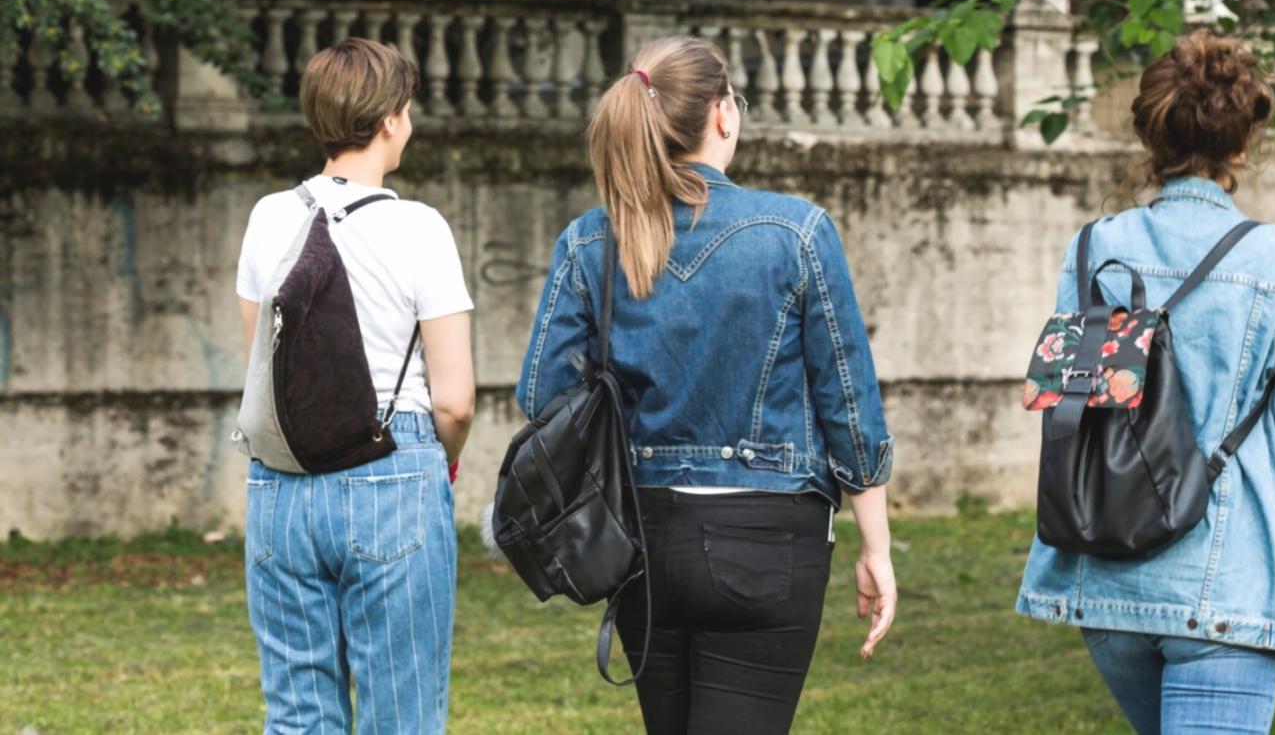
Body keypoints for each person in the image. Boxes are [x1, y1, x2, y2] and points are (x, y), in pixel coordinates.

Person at [517, 36, 897, 735]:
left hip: (640, 539)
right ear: (723, 115)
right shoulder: (797, 232)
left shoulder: (591, 241)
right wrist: (876, 548)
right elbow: (850, 406)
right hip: (768, 539)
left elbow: (543, 397)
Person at [1016, 30, 1275, 734]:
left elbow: (1077, 401)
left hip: (1109, 575)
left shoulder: (1093, 246)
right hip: (1231, 578)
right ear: (1245, 140)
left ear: (1149, 136)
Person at [235, 38, 476, 734]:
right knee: (400, 715)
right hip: (391, 471)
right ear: (393, 120)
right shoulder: (420, 228)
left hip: (281, 485)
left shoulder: (265, 220)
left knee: (299, 717)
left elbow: (263, 367)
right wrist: (443, 458)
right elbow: (454, 399)